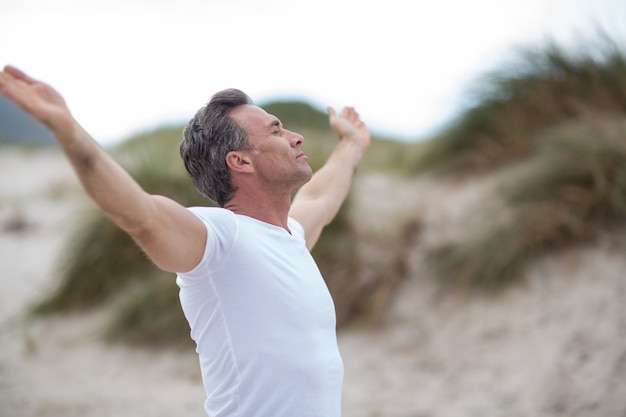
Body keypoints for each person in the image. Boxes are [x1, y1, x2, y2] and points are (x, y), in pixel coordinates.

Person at [0, 65, 370, 417]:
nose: (296, 137)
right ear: (240, 161)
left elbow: (321, 197)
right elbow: (143, 216)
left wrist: (351, 144)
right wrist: (69, 132)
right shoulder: (221, 238)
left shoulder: (289, 236)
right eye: (276, 131)